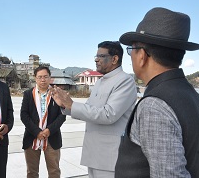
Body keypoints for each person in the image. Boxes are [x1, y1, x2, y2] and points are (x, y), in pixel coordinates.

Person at [115, 7, 199, 177]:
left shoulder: (154, 105)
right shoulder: (195, 97)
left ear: (142, 56)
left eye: (132, 50)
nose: (131, 56)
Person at [50, 41, 137, 178]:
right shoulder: (100, 82)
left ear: (115, 59)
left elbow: (108, 115)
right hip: (94, 153)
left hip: (110, 157)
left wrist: (72, 104)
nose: (96, 59)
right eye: (96, 56)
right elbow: (88, 110)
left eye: (101, 56)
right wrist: (64, 105)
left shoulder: (125, 81)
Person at [20, 66, 66, 178]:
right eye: (40, 77)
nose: (43, 80)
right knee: (32, 172)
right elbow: (24, 115)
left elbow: (62, 115)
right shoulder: (28, 94)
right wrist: (37, 132)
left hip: (52, 138)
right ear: (35, 78)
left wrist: (49, 130)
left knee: (54, 171)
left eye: (45, 77)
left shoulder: (57, 94)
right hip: (32, 137)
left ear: (50, 78)